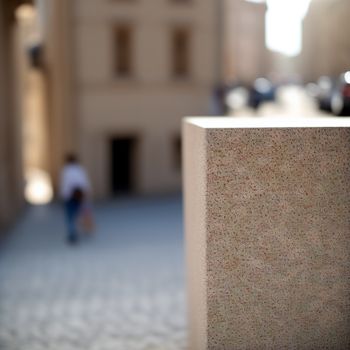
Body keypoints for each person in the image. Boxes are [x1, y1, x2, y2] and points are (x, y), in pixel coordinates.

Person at [60, 154, 91, 244]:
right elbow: (84, 183)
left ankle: (72, 233)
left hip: (68, 196)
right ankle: (75, 231)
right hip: (78, 196)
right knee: (77, 214)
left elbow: (64, 185)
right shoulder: (79, 170)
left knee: (69, 216)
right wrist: (86, 195)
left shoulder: (65, 170)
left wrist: (63, 195)